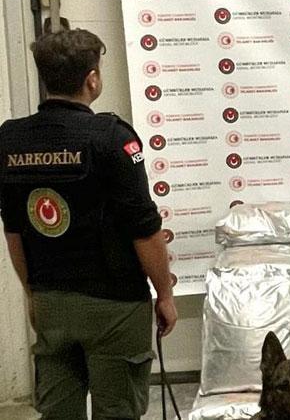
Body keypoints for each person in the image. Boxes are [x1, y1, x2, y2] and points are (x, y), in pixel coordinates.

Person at [0, 29, 178, 419]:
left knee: (58, 412)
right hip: (115, 307)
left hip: (51, 302)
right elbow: (144, 228)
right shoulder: (112, 138)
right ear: (92, 79)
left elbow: (13, 230)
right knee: (118, 411)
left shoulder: (10, 140)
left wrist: (32, 293)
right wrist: (164, 294)